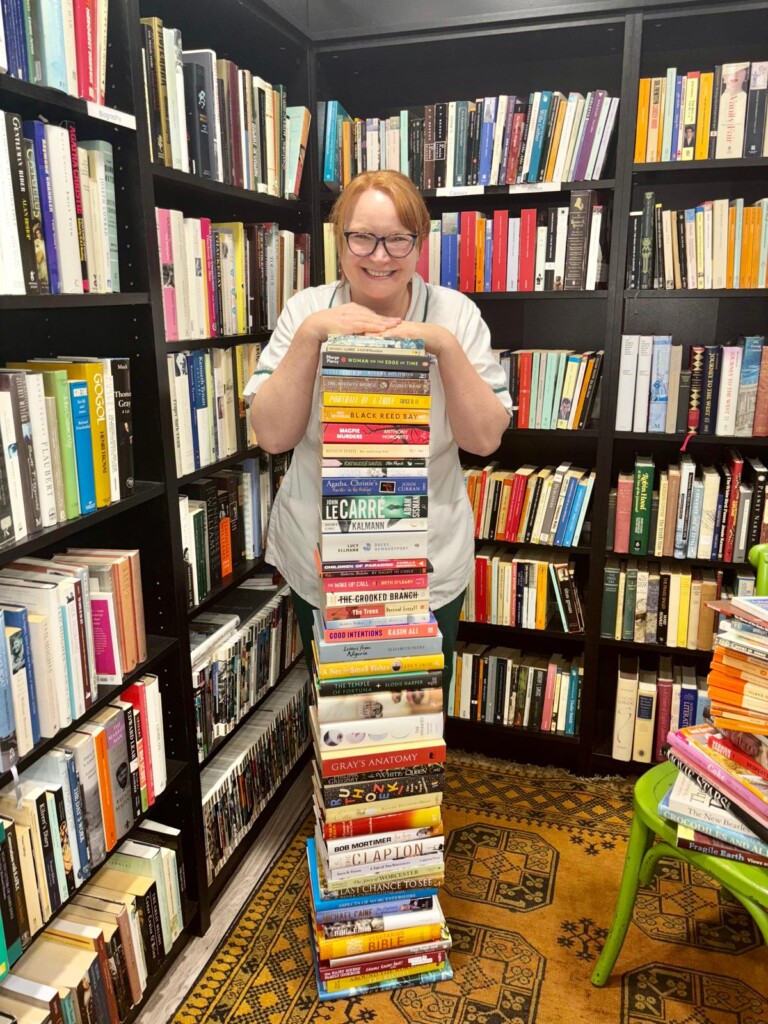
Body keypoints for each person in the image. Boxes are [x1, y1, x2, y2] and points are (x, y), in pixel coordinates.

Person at [247, 170, 512, 697]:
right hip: (323, 554)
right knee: (338, 712)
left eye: (397, 239)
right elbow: (272, 436)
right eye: (362, 237)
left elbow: (484, 439)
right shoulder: (306, 309)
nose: (380, 256)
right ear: (339, 239)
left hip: (426, 556)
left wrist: (442, 345)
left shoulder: (455, 314)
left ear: (420, 242)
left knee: (415, 710)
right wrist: (311, 338)